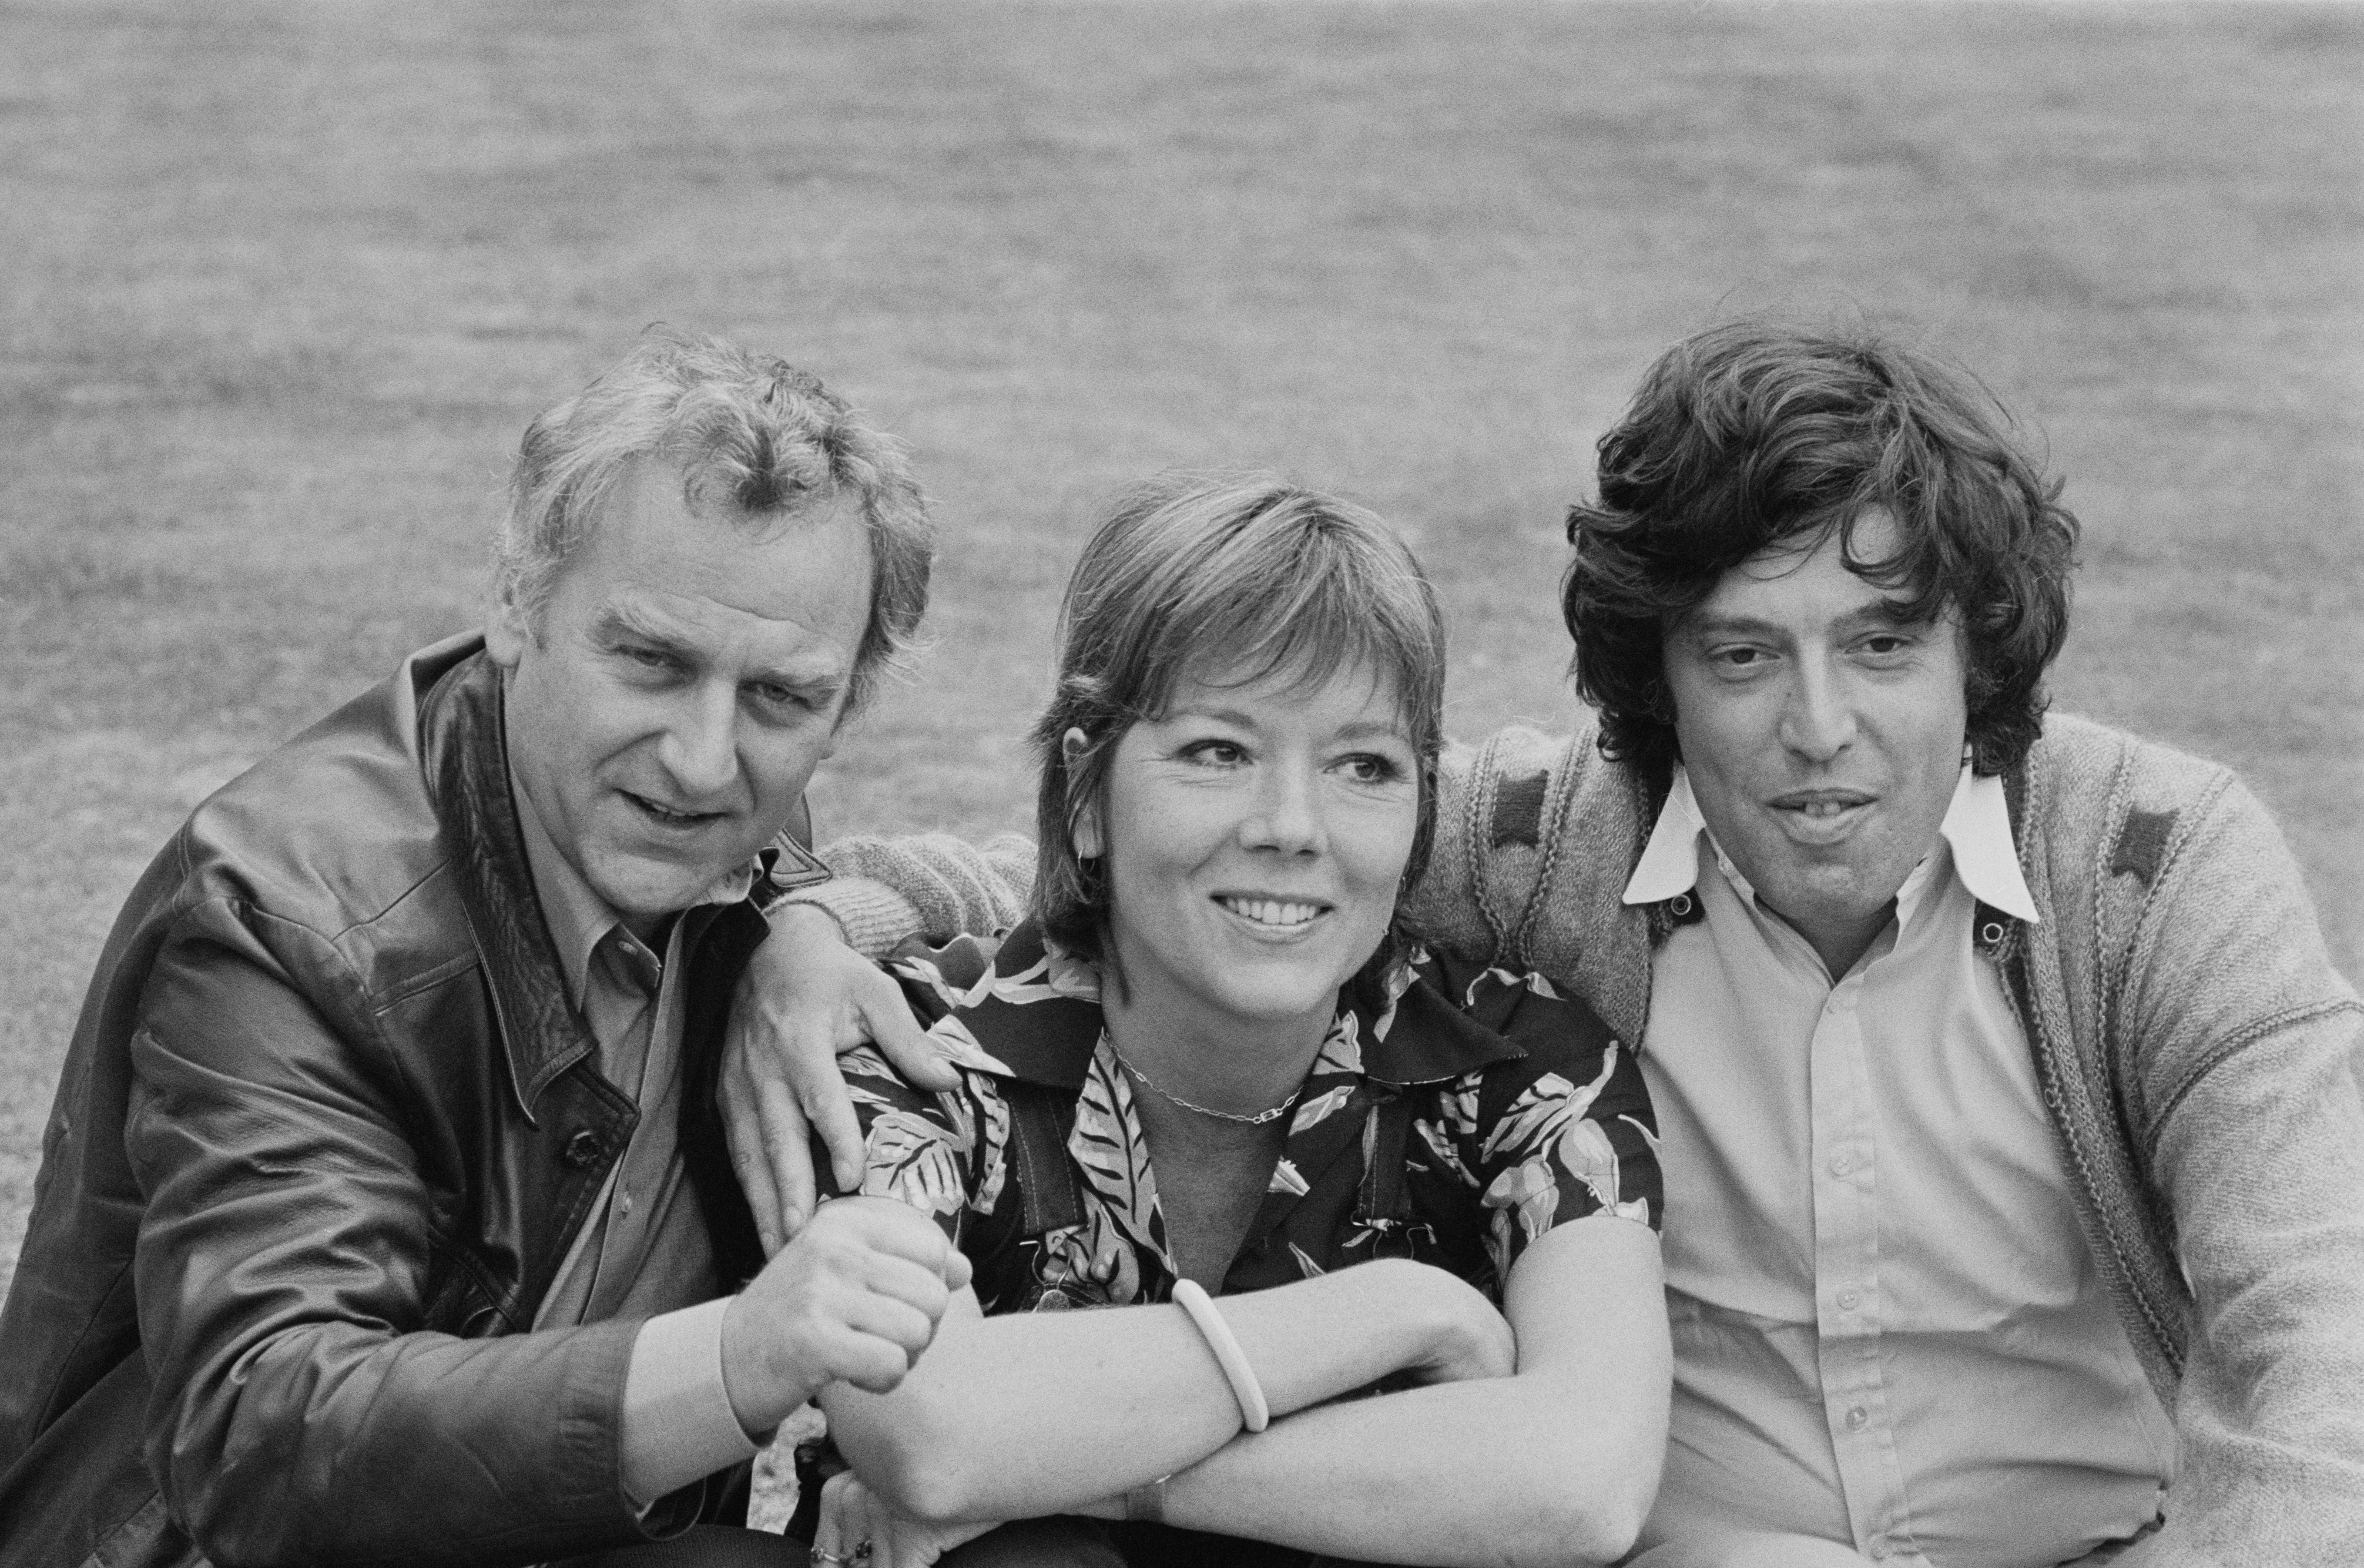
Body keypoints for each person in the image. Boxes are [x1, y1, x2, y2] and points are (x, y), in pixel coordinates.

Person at [728, 324, 2364, 1566]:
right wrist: (823, 920)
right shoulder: (1536, 848)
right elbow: (1186, 858)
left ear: (1976, 652)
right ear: (1657, 682)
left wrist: (1066, 1453)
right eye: (1741, 652)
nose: (1817, 731)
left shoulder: (2151, 872)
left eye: (1880, 645)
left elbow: (2325, 1344)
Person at [0, 331, 975, 1568]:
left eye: (780, 697)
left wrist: (832, 915)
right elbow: (266, 1428)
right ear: (518, 606)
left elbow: (1129, 867)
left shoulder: (732, 857)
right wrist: (736, 1357)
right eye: (650, 661)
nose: (701, 756)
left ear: (846, 705)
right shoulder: (294, 917)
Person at [789, 475, 1671, 1568]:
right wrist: (1403, 1310)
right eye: (1218, 750)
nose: (1292, 826)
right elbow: (928, 1434)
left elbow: (1580, 1483)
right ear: (1084, 791)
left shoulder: (1524, 1066)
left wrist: (1069, 1470)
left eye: (1362, 766)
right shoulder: (924, 1052)